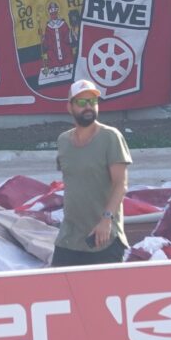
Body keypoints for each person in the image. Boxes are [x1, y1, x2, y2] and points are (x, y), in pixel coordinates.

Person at [51, 80, 132, 266]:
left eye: (92, 101)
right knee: (58, 288)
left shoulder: (111, 137)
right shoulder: (63, 141)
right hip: (70, 237)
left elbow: (121, 184)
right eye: (81, 102)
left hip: (103, 236)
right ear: (69, 107)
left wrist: (106, 220)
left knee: (101, 294)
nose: (88, 106)